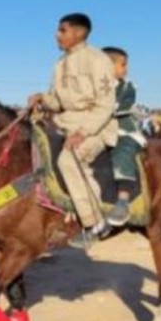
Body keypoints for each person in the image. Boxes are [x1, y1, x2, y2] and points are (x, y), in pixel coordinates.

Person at [28, 13, 118, 250]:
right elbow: (57, 102)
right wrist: (41, 99)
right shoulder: (59, 64)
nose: (57, 35)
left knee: (69, 159)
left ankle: (94, 223)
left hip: (95, 125)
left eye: (62, 30)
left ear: (78, 33)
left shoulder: (97, 59)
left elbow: (106, 103)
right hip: (65, 122)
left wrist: (84, 132)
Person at [103, 47, 141, 226]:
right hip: (98, 130)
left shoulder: (127, 86)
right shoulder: (95, 87)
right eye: (123, 65)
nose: (126, 69)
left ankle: (123, 200)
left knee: (122, 152)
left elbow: (115, 109)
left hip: (122, 130)